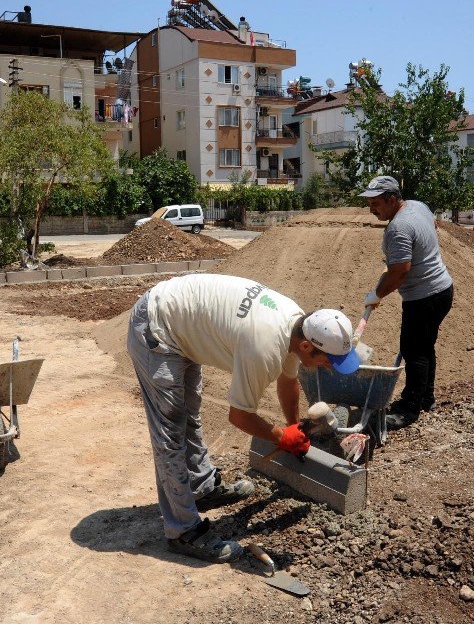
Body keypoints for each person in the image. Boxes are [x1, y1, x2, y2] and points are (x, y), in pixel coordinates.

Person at [127, 273, 360, 563]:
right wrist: (281, 437)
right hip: (158, 327)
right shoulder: (264, 346)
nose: (328, 367)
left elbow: (288, 382)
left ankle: (201, 488)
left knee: (189, 416)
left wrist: (293, 427)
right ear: (306, 346)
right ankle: (183, 531)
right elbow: (239, 416)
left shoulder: (296, 324)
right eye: (328, 359)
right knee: (170, 433)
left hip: (181, 321)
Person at [361, 175, 454, 430]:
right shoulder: (418, 206)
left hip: (424, 297)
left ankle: (408, 409)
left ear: (392, 199)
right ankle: (426, 399)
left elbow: (400, 271)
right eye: (369, 203)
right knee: (425, 347)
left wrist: (378, 293)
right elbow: (432, 226)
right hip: (443, 289)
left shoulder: (398, 228)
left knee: (414, 351)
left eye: (376, 203)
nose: (371, 209)